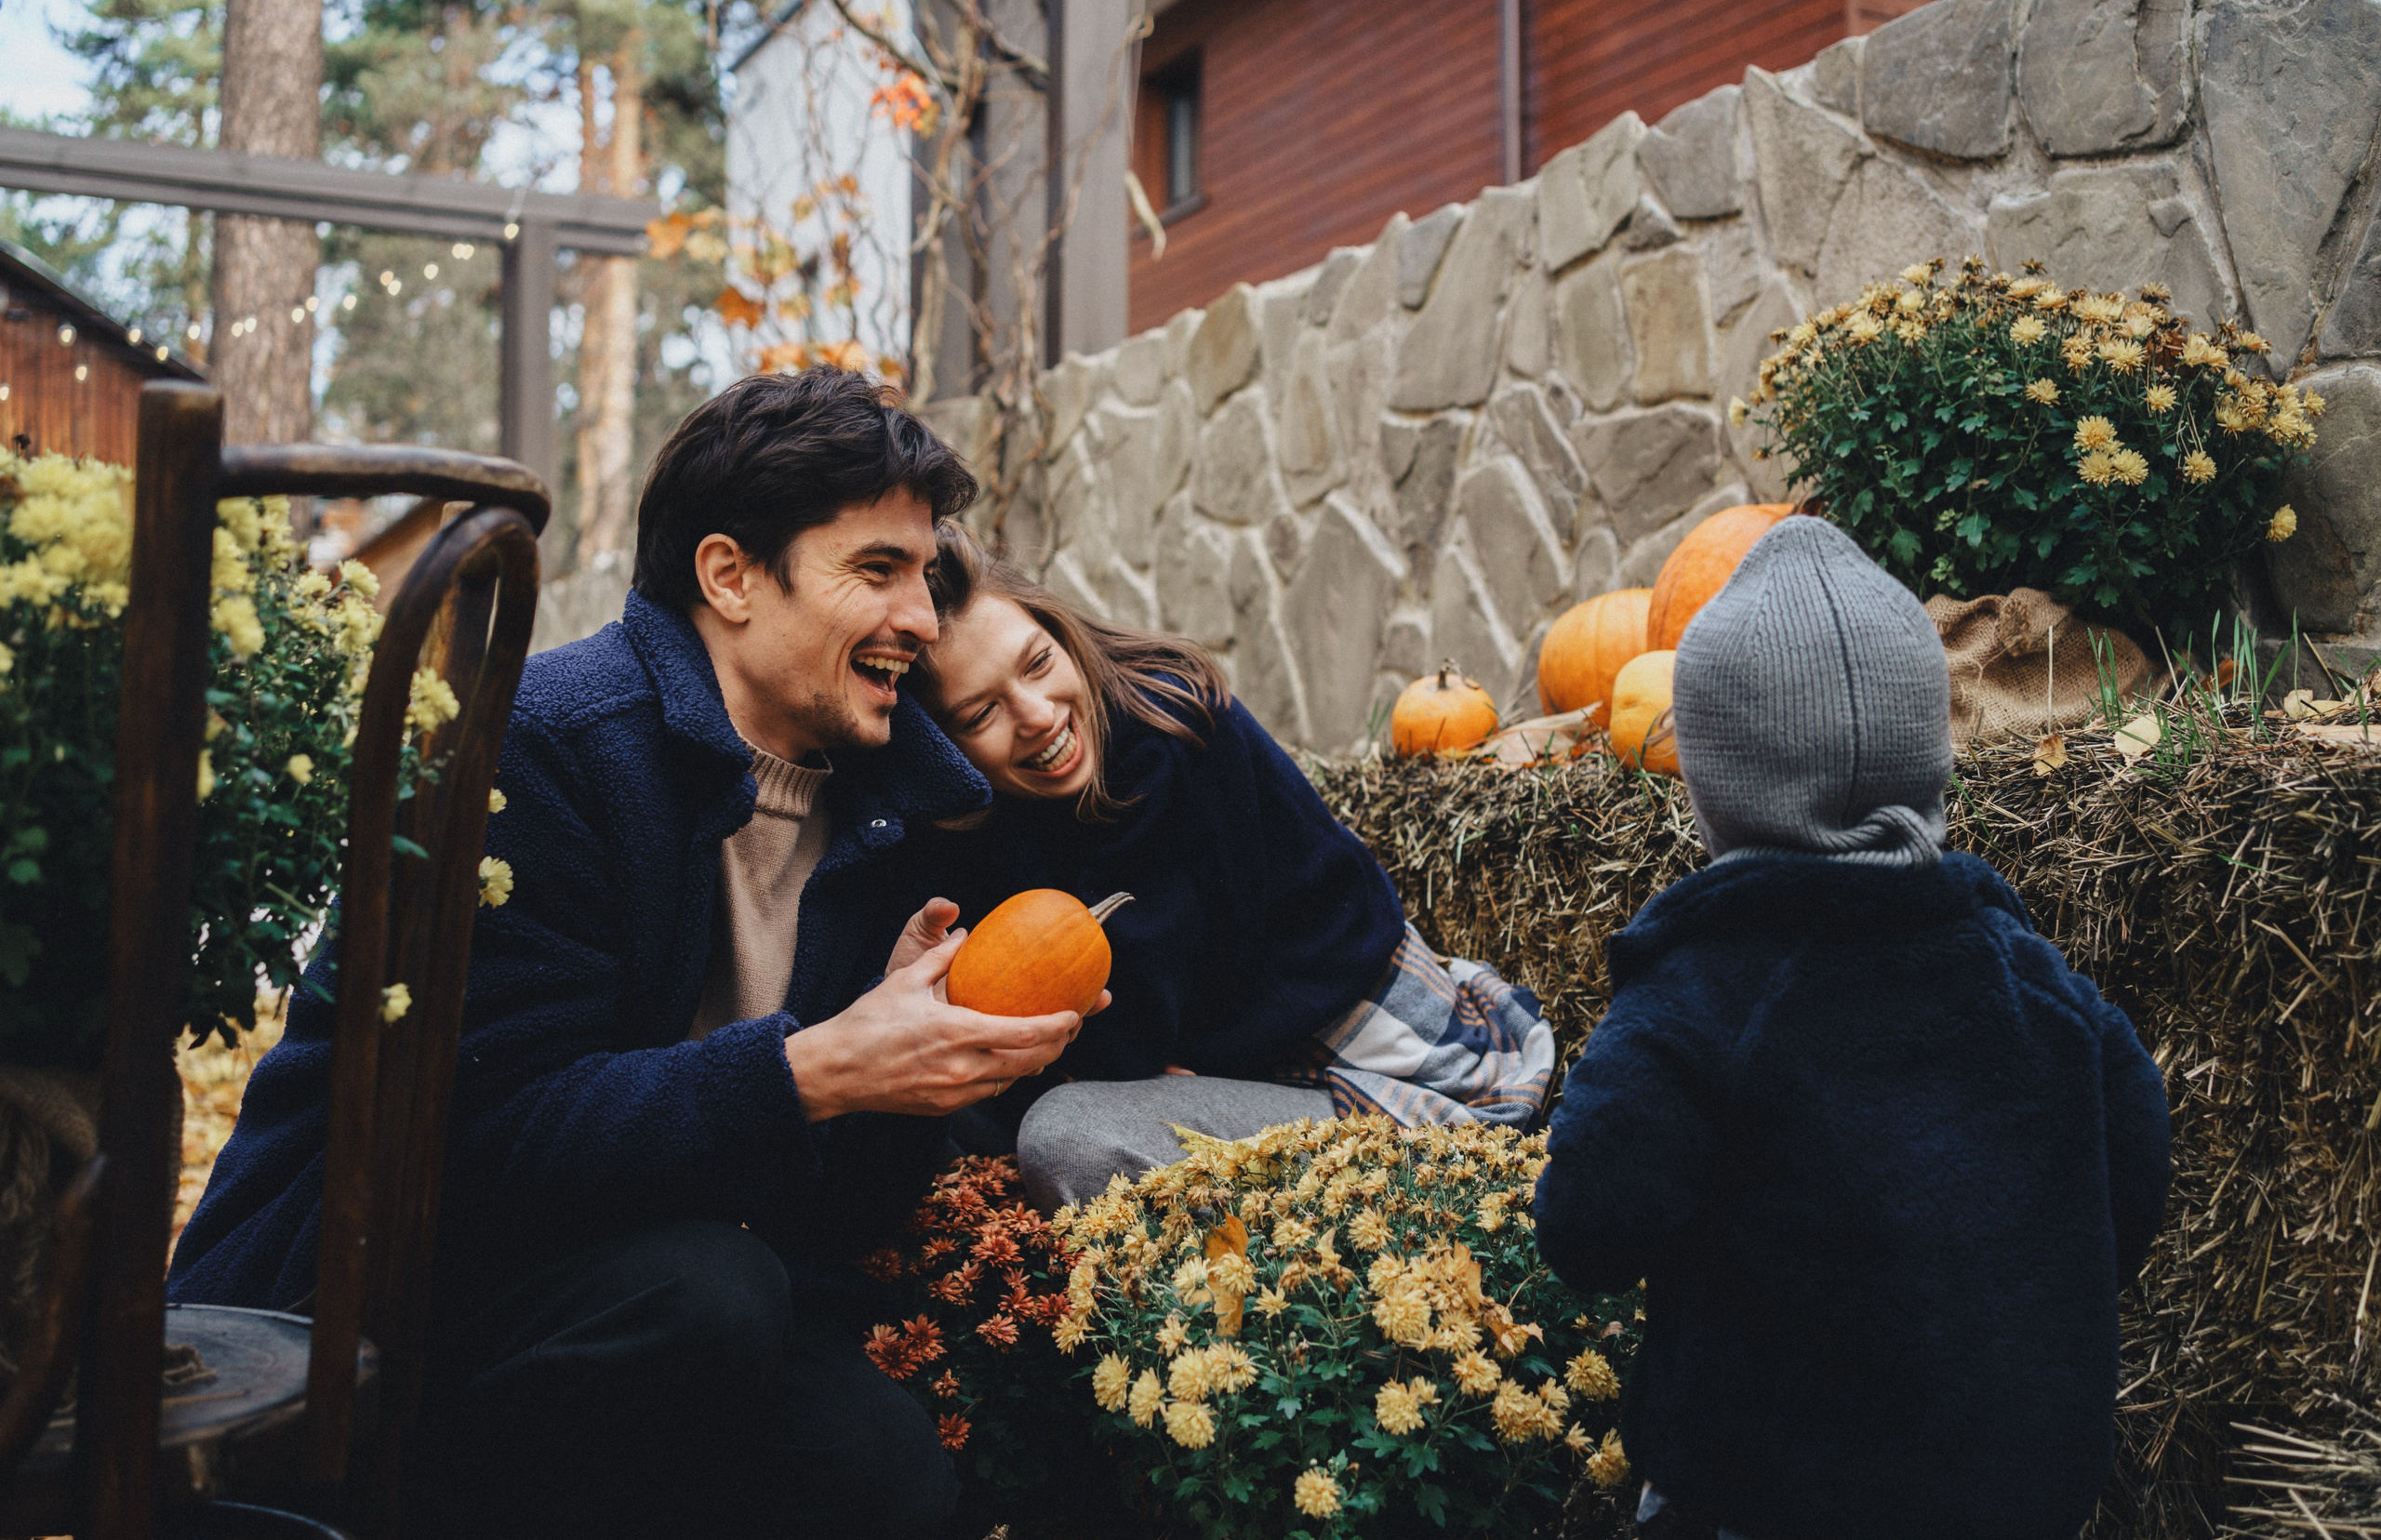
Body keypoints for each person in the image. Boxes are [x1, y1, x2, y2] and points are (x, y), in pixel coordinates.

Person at [169, 371, 1086, 1540]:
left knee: (882, 1468)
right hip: (350, 1292)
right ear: (729, 576)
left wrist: (909, 1080)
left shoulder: (885, 801)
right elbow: (472, 1141)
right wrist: (815, 1071)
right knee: (708, 1299)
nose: (922, 614)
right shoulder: (550, 742)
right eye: (876, 570)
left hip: (656, 1280)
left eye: (921, 571)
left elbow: (828, 1214)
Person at [1532, 516, 2172, 1540]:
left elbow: (1588, 1230)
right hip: (2016, 1492)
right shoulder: (2023, 972)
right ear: (1931, 752)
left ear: (1713, 779)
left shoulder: (1696, 994)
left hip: (1771, 1495)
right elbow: (2136, 1156)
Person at [898, 524, 1556, 1212]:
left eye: (1037, 663)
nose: (1036, 715)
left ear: (1061, 633)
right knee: (945, 1109)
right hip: (1259, 1065)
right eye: (981, 712)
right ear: (944, 750)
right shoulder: (1012, 808)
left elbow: (1121, 1039)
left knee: (1066, 1135)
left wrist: (1100, 1070)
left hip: (1377, 1076)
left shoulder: (1165, 740)